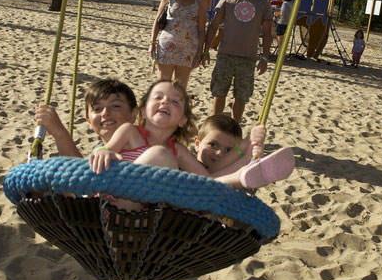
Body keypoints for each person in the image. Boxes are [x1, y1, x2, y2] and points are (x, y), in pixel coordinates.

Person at [88, 80, 295, 211]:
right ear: (141, 111)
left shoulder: (179, 151)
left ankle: (244, 176)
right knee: (161, 155)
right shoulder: (129, 131)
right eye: (158, 97)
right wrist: (102, 152)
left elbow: (208, 180)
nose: (165, 102)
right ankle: (242, 175)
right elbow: (106, 148)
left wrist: (246, 148)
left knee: (195, 182)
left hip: (144, 213)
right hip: (112, 201)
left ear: (183, 120)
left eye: (175, 102)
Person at [201, 0, 273, 122]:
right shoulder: (227, 0)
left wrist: (265, 57)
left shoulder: (263, 4)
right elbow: (213, 26)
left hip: (248, 58)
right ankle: (216, 125)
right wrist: (205, 50)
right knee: (219, 93)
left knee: (241, 97)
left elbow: (267, 33)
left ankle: (234, 128)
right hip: (225, 55)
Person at [35, 78, 138, 157]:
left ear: (133, 114)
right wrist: (58, 134)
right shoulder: (98, 151)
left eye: (116, 106)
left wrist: (61, 134)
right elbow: (80, 176)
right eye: (97, 109)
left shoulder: (143, 146)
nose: (105, 113)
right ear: (88, 121)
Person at [149, 0, 207, 88]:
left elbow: (201, 30)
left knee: (180, 90)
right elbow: (157, 21)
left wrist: (199, 53)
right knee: (162, 86)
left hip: (188, 49)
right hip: (166, 47)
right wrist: (152, 43)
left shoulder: (200, 1)